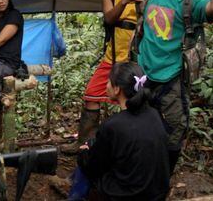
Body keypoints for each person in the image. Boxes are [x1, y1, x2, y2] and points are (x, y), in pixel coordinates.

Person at [137, 0, 213, 173]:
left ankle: (162, 179)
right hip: (142, 77)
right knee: (140, 130)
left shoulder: (193, 0)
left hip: (171, 81)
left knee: (173, 132)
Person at [62, 0, 144, 154]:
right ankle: (85, 143)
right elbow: (109, 18)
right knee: (91, 95)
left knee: (130, 101)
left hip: (134, 60)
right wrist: (125, 1)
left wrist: (140, 2)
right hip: (112, 57)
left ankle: (128, 145)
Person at [71, 63, 170, 201]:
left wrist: (84, 153)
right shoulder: (154, 114)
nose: (106, 85)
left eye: (109, 82)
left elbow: (94, 166)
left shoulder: (113, 125)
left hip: (125, 195)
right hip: (157, 193)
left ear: (117, 89)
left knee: (85, 164)